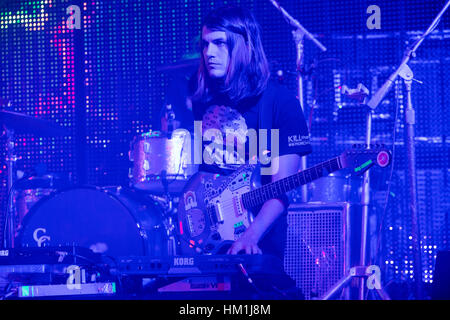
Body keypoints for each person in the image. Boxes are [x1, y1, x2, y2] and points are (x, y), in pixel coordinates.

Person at [190, 6, 312, 261]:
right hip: (207, 242)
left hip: (257, 247)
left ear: (244, 44)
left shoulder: (280, 102)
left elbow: (281, 189)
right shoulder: (203, 98)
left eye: (219, 43)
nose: (209, 53)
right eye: (205, 44)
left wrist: (250, 235)